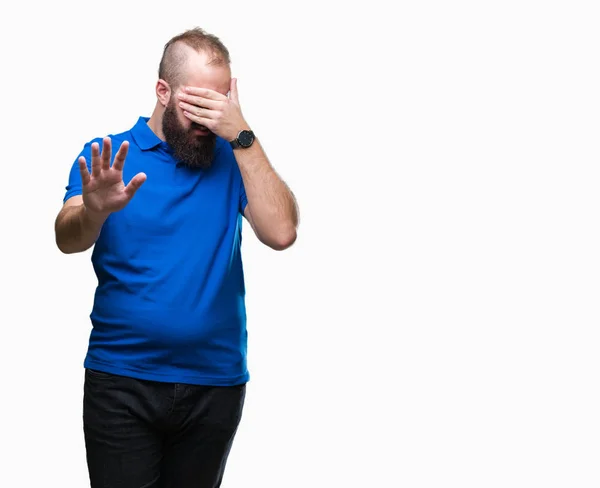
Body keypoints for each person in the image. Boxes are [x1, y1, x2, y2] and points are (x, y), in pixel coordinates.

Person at [54, 27, 299, 488]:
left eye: (220, 105)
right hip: (121, 381)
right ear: (163, 91)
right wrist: (93, 210)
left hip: (216, 385)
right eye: (198, 106)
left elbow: (282, 232)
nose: (210, 122)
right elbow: (68, 238)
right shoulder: (107, 157)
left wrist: (243, 136)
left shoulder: (233, 157)